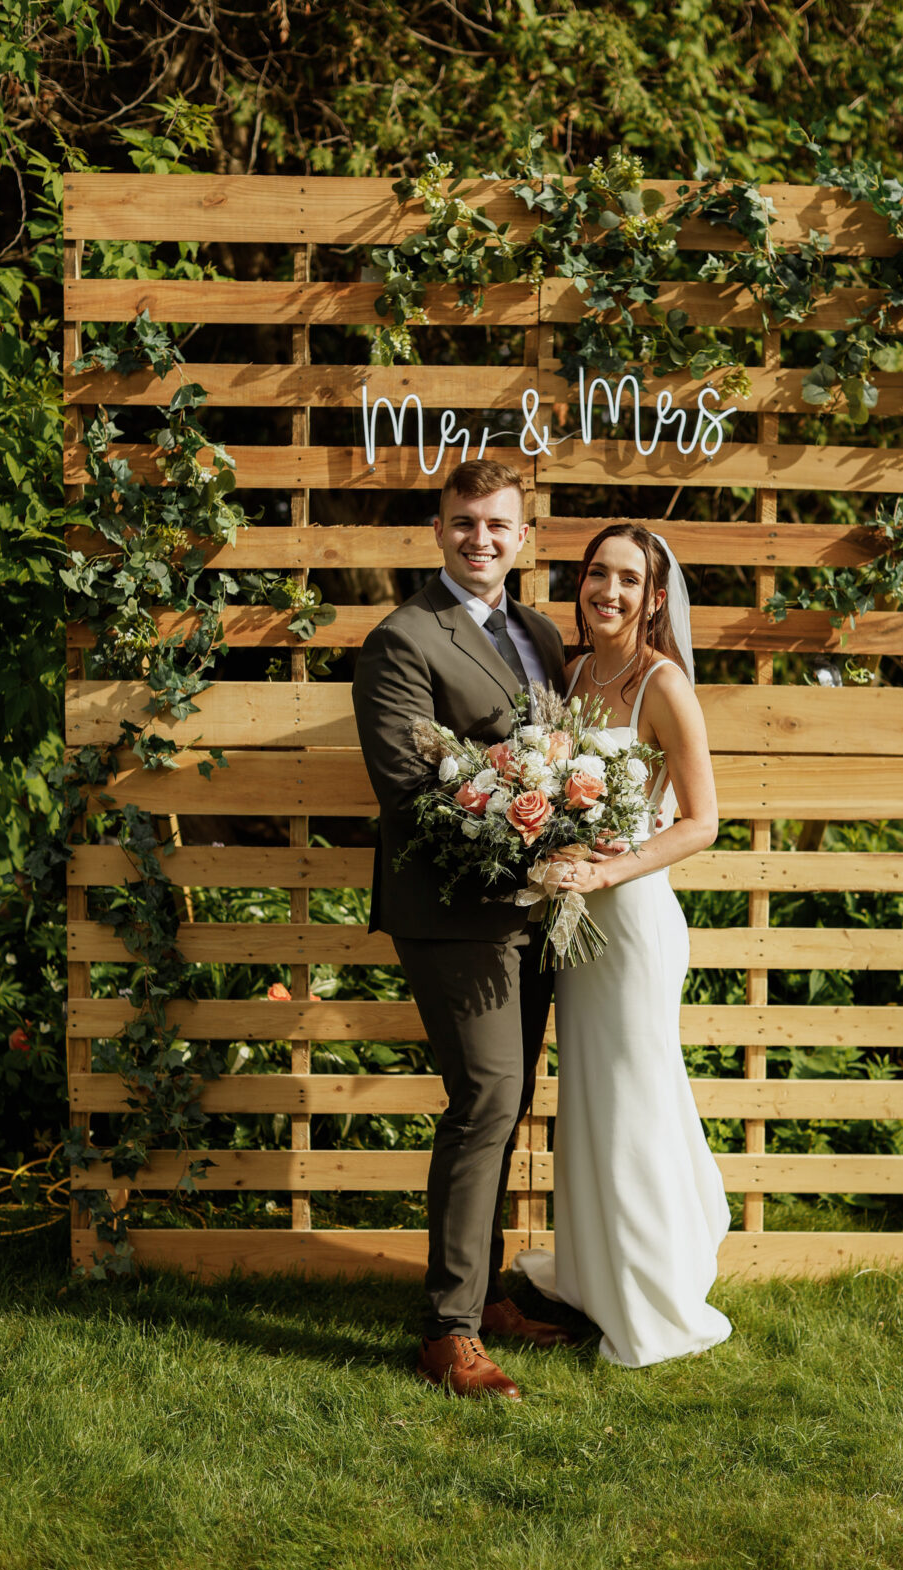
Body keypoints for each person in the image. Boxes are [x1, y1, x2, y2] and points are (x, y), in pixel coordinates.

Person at [353, 458, 576, 1402]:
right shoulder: (402, 639)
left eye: (497, 524)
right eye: (462, 523)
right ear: (437, 531)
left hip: (538, 913)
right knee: (485, 1097)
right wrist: (522, 839)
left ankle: (484, 1299)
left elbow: (563, 752)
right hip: (453, 913)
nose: (479, 539)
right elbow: (410, 786)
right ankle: (447, 1332)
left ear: (523, 537)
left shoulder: (539, 630)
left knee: (509, 1099)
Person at [514, 522, 733, 1367]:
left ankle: (652, 1301)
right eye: (597, 575)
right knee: (595, 1106)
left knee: (635, 1102)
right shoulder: (571, 675)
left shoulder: (662, 684)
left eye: (628, 581)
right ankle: (595, 1278)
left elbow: (702, 822)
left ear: (651, 597)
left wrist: (611, 871)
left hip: (635, 924)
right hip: (579, 927)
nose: (608, 591)